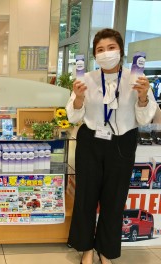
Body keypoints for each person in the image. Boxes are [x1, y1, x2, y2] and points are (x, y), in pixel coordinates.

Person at [66, 28, 157, 264]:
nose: (106, 53)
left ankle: (105, 250)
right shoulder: (85, 79)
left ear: (121, 51)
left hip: (122, 141)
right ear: (95, 55)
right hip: (90, 141)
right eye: (100, 50)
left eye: (111, 48)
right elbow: (74, 117)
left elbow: (145, 118)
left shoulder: (137, 79)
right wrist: (77, 98)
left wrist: (144, 96)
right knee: (86, 197)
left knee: (114, 199)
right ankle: (86, 248)